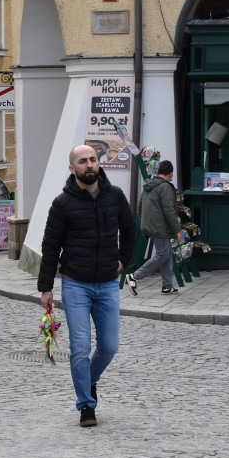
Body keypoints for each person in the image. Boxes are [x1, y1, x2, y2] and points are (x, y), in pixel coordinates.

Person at [38, 144, 137, 428]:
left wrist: (123, 261)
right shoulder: (62, 204)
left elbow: (130, 229)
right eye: (83, 161)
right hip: (76, 284)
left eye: (93, 159)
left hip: (107, 283)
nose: (89, 164)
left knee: (109, 347)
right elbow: (50, 246)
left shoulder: (115, 196)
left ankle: (89, 380)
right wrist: (46, 287)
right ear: (73, 169)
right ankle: (86, 405)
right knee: (80, 348)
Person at [125, 160, 183, 295]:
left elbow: (140, 206)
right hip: (160, 227)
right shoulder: (165, 187)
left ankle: (167, 286)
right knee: (162, 254)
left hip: (150, 225)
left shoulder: (148, 185)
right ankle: (135, 276)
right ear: (170, 174)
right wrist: (177, 230)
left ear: (158, 172)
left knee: (166, 254)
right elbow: (169, 210)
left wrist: (144, 223)